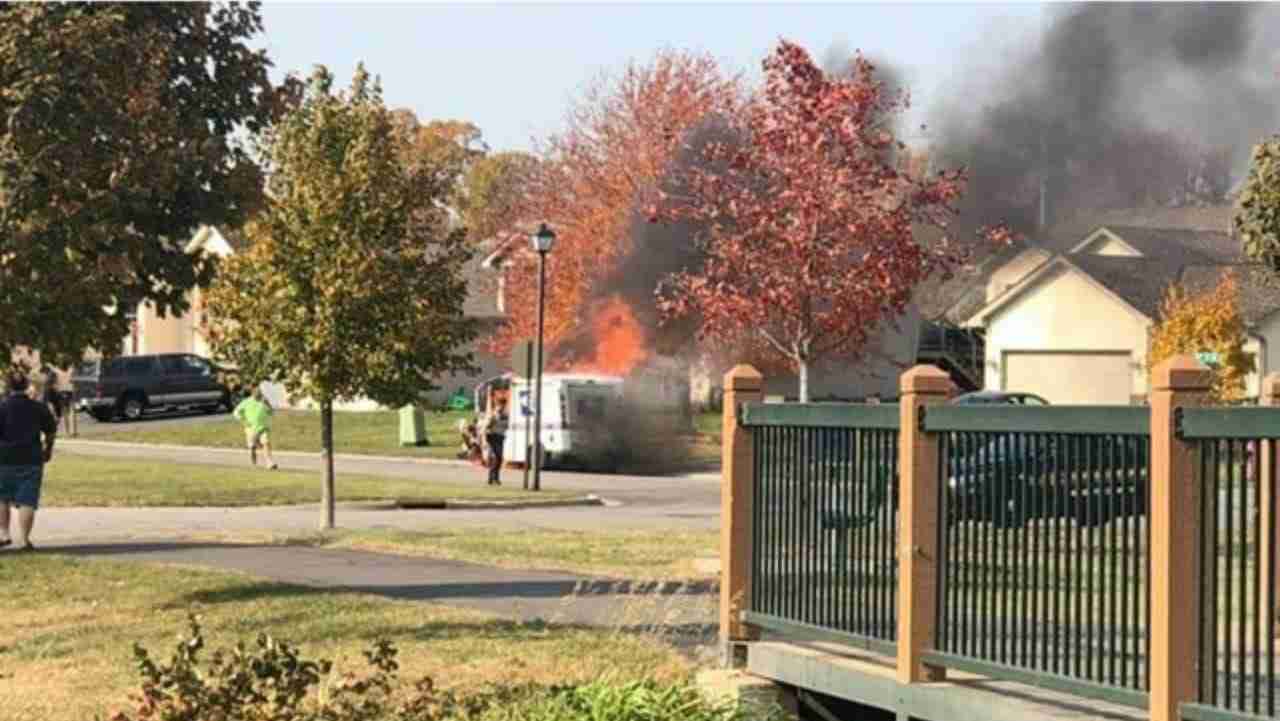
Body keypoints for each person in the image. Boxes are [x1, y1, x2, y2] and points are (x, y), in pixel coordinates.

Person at [0, 370, 57, 551]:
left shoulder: (1, 407)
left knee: (2, 498)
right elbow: (51, 430)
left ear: (8, 387)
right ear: (26, 386)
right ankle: (24, 540)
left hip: (4, 459)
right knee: (27, 501)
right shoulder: (38, 407)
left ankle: (4, 534)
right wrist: (48, 449)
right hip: (31, 458)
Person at [233, 385, 277, 470]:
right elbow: (236, 413)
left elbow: (271, 413)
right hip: (251, 429)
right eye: (257, 393)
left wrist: (268, 404)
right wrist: (244, 421)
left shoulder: (264, 402)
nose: (259, 394)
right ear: (253, 393)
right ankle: (254, 464)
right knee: (252, 448)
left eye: (260, 392)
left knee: (266, 443)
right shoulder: (246, 402)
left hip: (263, 428)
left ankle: (269, 463)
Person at [478, 403, 507, 485]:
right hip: (492, 437)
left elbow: (505, 426)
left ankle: (492, 478)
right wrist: (484, 441)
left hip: (500, 437)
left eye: (502, 407)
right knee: (497, 457)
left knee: (499, 459)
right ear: (496, 408)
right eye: (499, 408)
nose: (501, 409)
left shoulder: (505, 416)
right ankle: (494, 478)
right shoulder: (493, 416)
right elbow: (485, 428)